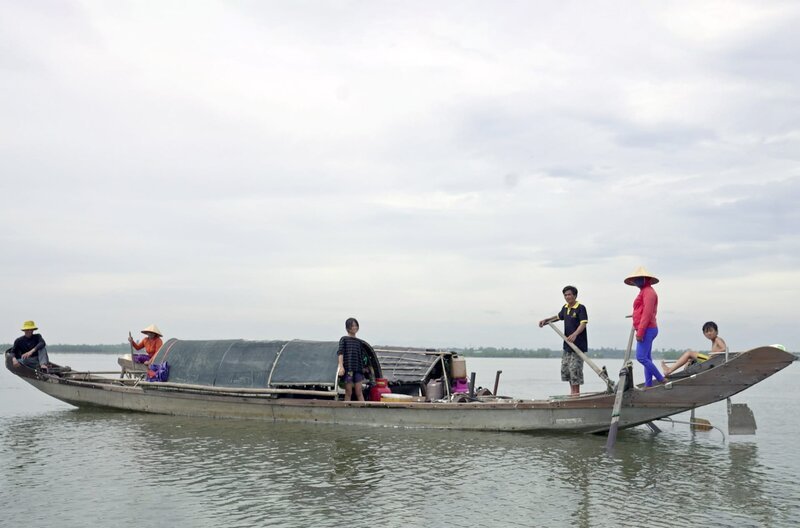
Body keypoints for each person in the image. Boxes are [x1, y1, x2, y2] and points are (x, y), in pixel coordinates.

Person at [538, 285, 588, 396]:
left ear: (575, 295)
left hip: (578, 346)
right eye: (565, 295)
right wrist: (546, 320)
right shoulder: (565, 308)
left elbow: (583, 323)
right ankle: (572, 394)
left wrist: (575, 334)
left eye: (569, 294)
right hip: (567, 346)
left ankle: (576, 395)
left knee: (575, 370)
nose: (567, 297)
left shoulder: (580, 308)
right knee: (567, 370)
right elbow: (558, 317)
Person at [625, 266, 664, 387]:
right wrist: (634, 315)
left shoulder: (649, 292)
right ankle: (648, 385)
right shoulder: (643, 291)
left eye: (638, 279)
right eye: (634, 279)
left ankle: (661, 379)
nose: (635, 281)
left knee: (641, 357)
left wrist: (640, 332)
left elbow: (647, 313)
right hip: (646, 328)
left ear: (645, 279)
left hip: (647, 329)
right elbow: (641, 309)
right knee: (647, 358)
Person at [661, 321, 727, 376]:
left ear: (716, 331)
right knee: (690, 358)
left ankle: (669, 370)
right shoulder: (714, 341)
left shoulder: (717, 339)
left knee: (689, 353)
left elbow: (724, 349)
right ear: (704, 334)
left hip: (711, 361)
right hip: (710, 361)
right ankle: (683, 373)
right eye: (706, 332)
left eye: (711, 331)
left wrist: (713, 354)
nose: (709, 333)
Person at [337, 317, 369, 402]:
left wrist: (364, 368)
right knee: (348, 392)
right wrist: (341, 367)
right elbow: (340, 353)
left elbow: (362, 356)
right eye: (352, 326)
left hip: (358, 369)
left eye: (356, 325)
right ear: (347, 328)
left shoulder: (359, 342)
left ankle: (363, 408)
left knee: (359, 392)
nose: (354, 327)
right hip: (348, 369)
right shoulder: (344, 339)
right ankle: (347, 408)